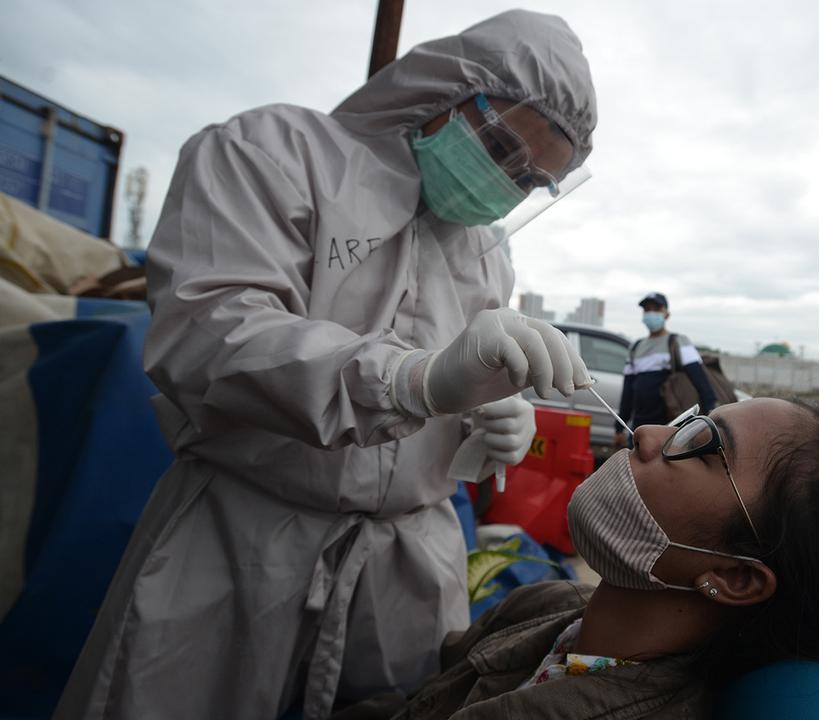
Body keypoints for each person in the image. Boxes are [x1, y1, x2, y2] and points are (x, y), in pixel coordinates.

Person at [55, 11, 597, 720]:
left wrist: (488, 421)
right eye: (497, 145)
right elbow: (211, 336)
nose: (504, 181)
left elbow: (460, 381)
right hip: (243, 544)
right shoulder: (271, 152)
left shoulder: (484, 249)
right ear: (442, 93)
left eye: (530, 180)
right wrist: (412, 380)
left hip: (407, 564)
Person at [335, 398, 819, 719]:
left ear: (732, 575)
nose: (642, 433)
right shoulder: (548, 606)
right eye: (687, 420)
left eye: (699, 444)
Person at [614, 292, 719, 446]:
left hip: (671, 425)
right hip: (639, 426)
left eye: (656, 309)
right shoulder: (635, 347)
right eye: (647, 309)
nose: (651, 313)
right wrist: (618, 428)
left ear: (666, 314)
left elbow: (700, 380)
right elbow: (628, 391)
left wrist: (712, 412)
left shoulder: (677, 342)